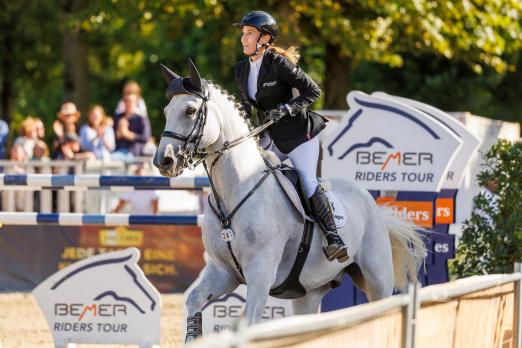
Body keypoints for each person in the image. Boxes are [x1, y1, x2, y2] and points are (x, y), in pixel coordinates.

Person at [233, 11, 348, 262]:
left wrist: (287, 108)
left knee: (307, 181)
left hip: (299, 136)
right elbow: (246, 104)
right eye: (243, 33)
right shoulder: (241, 69)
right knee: (254, 180)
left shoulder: (279, 64)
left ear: (265, 38)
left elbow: (313, 90)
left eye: (249, 33)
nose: (244, 38)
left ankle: (333, 237)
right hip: (270, 137)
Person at [113, 93, 152, 159]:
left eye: (131, 101)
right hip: (118, 150)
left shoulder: (141, 118)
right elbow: (114, 137)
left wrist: (128, 134)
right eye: (126, 101)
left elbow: (146, 137)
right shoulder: (118, 117)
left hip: (134, 152)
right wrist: (120, 129)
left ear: (136, 103)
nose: (128, 103)